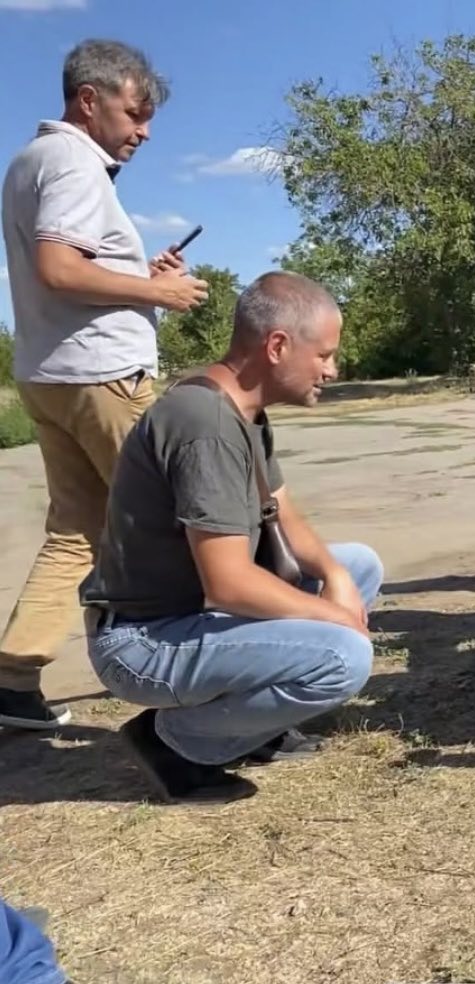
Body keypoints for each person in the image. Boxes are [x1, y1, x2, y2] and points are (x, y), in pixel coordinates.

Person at [79, 271, 381, 804]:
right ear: (277, 346)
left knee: (358, 567)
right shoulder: (207, 427)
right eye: (324, 354)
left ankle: (250, 725)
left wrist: (335, 578)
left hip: (190, 617)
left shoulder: (240, 408)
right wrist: (335, 617)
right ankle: (173, 742)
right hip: (142, 641)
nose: (332, 370)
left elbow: (284, 514)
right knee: (343, 657)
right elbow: (228, 584)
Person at [0, 38, 209, 730]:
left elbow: (64, 271)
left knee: (75, 532)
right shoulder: (74, 161)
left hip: (48, 374)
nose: (143, 131)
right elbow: (59, 269)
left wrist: (139, 277)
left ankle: (11, 679)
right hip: (103, 379)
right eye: (135, 112)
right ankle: (210, 686)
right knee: (179, 522)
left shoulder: (31, 160)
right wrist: (159, 292)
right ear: (89, 100)